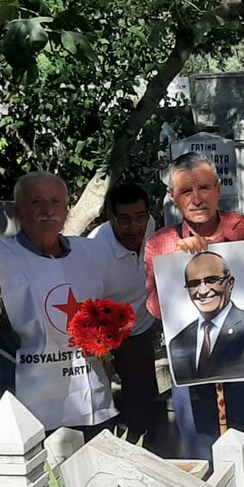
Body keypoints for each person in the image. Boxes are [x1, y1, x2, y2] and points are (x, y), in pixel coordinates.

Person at [144, 153, 244, 476]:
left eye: (204, 187)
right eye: (186, 191)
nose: (197, 198)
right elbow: (153, 309)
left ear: (219, 189)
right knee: (199, 457)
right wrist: (172, 273)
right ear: (172, 198)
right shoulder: (161, 244)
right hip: (192, 368)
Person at [0, 171, 119, 434]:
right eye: (36, 202)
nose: (47, 210)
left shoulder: (92, 253)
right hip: (32, 406)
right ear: (18, 211)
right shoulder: (0, 259)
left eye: (55, 202)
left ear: (66, 209)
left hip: (94, 401)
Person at [88, 183, 164, 442]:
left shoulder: (151, 226)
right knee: (102, 405)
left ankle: (150, 448)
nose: (135, 227)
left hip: (141, 329)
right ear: (110, 218)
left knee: (145, 401)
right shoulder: (96, 250)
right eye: (125, 220)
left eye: (140, 217)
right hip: (104, 335)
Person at [167, 251, 244, 384]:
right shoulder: (177, 343)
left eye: (212, 280)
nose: (203, 291)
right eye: (194, 284)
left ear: (230, 283)